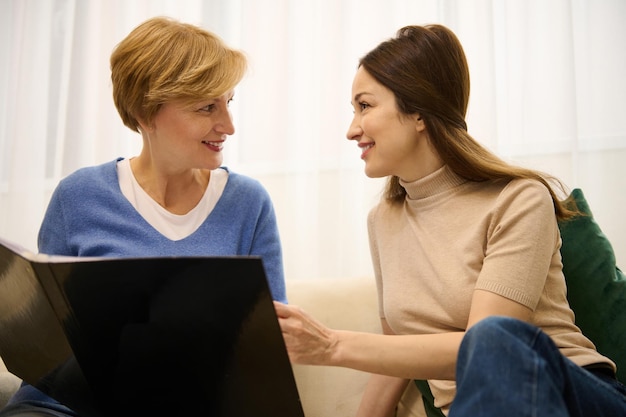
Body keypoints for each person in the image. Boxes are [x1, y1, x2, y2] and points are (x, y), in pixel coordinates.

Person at [274, 24, 626, 417]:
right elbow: (395, 356)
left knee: (492, 338)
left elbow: (486, 345)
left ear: (419, 113)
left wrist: (332, 345)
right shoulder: (383, 220)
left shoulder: (518, 198)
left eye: (365, 106)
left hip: (574, 396)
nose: (352, 129)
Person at [1, 16, 286, 417]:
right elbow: (47, 339)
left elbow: (269, 347)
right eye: (207, 107)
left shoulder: (248, 203)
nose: (228, 125)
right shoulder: (78, 197)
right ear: (145, 111)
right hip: (64, 408)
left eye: (229, 102)